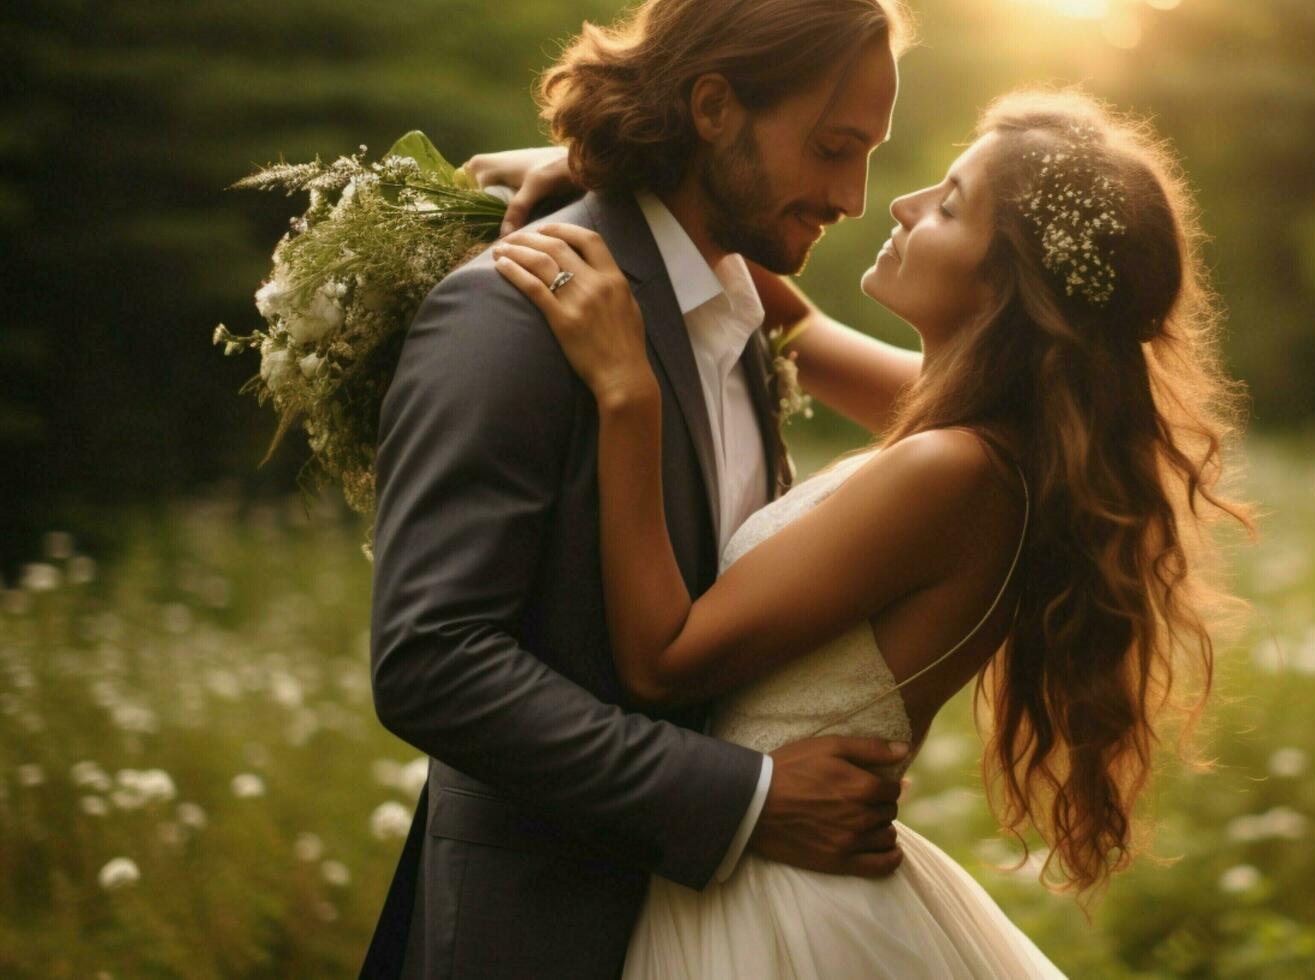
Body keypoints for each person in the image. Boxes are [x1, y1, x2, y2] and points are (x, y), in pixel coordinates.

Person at [487, 86, 1255, 977]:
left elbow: (663, 659)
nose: (900, 203)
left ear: (1004, 286)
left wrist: (627, 394)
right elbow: (793, 322)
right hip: (766, 870)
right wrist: (613, 188)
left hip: (775, 903)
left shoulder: (952, 472)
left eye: (949, 206)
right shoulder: (988, 434)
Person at [363, 1, 924, 976]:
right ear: (714, 106)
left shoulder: (744, 320)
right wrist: (744, 795)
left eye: (869, 151)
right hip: (540, 932)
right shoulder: (514, 308)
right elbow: (432, 659)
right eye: (834, 146)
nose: (853, 193)